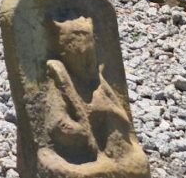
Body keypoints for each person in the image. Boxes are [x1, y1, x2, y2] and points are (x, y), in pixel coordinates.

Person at [39, 16, 150, 178]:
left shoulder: (99, 84)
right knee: (56, 168)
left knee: (139, 163)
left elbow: (120, 120)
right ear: (65, 54)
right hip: (78, 154)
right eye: (81, 56)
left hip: (110, 152)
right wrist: (79, 131)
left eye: (91, 55)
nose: (88, 62)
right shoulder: (59, 82)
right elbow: (56, 124)